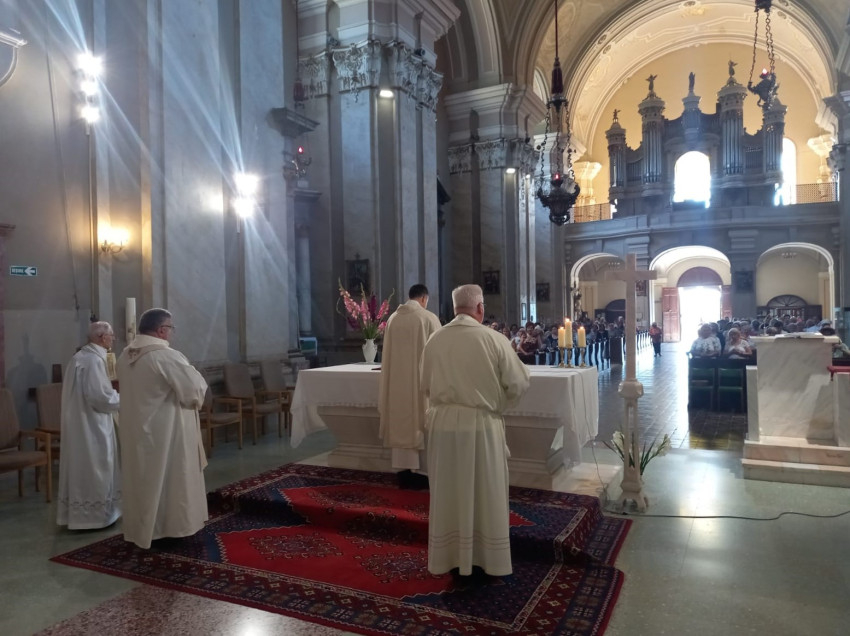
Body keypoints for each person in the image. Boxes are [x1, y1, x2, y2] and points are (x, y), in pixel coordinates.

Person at [420, 284, 531, 582]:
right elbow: (519, 383)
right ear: (480, 308)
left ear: (454, 307)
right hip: (481, 425)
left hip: (443, 425)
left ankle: (451, 558)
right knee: (485, 491)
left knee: (448, 492)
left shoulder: (435, 339)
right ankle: (485, 559)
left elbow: (425, 384)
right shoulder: (493, 339)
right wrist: (499, 405)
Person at [117, 308, 209, 549]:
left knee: (143, 480)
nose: (172, 333)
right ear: (161, 330)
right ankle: (172, 529)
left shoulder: (125, 356)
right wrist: (195, 374)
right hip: (167, 432)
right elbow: (193, 392)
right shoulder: (166, 356)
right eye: (171, 328)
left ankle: (144, 529)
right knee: (171, 479)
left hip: (137, 432)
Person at [56, 321, 121, 530]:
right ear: (102, 337)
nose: (113, 339)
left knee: (82, 467)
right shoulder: (93, 361)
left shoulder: (80, 357)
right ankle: (95, 517)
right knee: (97, 466)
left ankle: (81, 516)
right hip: (93, 425)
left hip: (80, 423)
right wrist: (125, 398)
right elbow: (100, 397)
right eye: (111, 335)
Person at [378, 283, 441, 489]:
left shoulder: (393, 319)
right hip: (421, 385)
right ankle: (422, 472)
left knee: (401, 420)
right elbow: (439, 353)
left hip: (397, 383)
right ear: (424, 298)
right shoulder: (428, 318)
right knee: (420, 420)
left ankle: (403, 471)